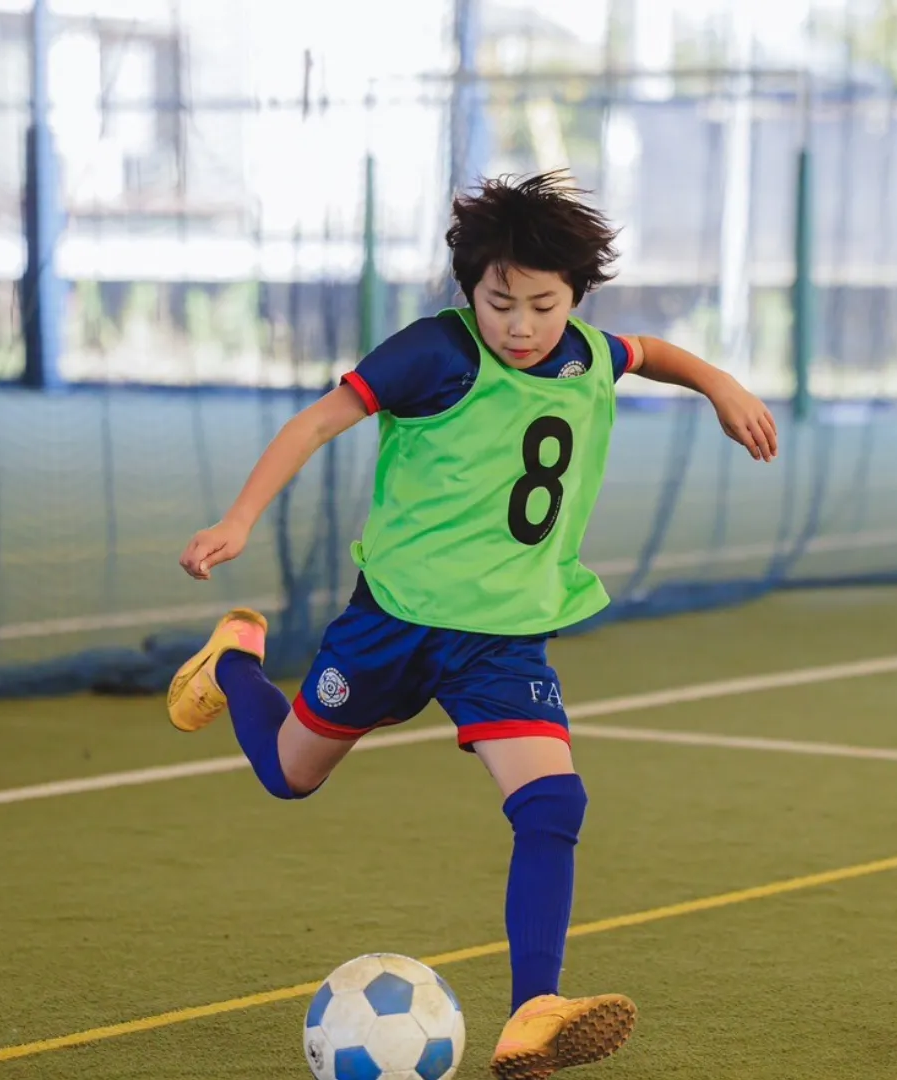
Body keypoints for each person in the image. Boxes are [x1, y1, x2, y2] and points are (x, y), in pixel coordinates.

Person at [167, 172, 778, 1080]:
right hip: (395, 620)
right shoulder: (434, 354)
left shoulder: (587, 353)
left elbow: (649, 352)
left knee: (553, 803)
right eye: (501, 303)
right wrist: (240, 519)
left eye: (543, 304)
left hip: (502, 637)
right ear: (472, 291)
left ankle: (535, 1009)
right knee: (291, 776)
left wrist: (720, 383)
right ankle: (233, 665)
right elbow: (316, 423)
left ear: (574, 299)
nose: (522, 326)